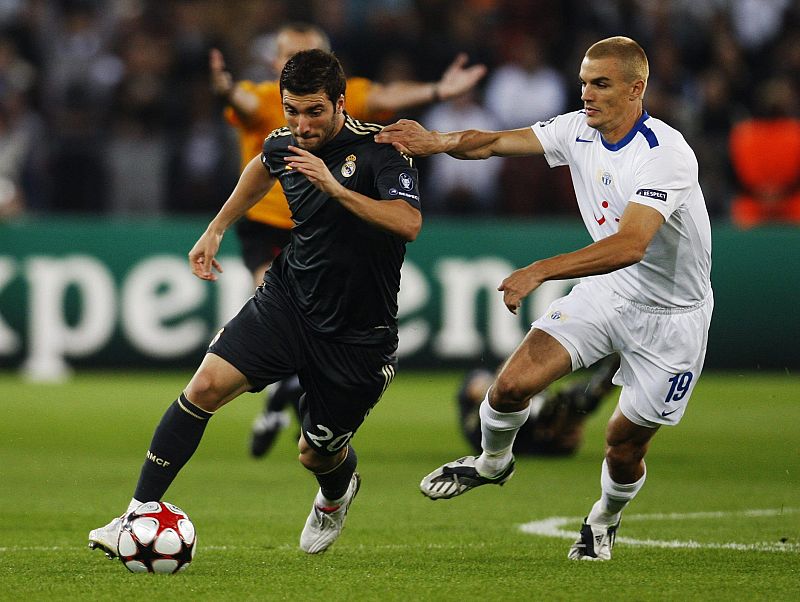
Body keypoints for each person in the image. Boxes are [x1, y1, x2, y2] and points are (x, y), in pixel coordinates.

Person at [376, 36, 713, 561]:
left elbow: (630, 244)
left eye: (600, 84)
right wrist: (435, 141)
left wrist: (540, 271)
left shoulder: (664, 155)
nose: (587, 94)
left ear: (635, 89)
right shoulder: (578, 130)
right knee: (508, 388)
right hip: (609, 293)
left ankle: (604, 518)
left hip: (672, 320)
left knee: (623, 446)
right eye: (583, 82)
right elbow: (491, 143)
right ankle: (491, 462)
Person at [89, 48, 422, 556]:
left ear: (339, 102)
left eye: (314, 111)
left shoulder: (381, 152)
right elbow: (260, 168)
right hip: (288, 301)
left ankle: (336, 496)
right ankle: (135, 513)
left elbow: (408, 223)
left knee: (316, 452)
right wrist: (216, 228)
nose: (302, 125)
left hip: (357, 334)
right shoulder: (285, 143)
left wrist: (334, 188)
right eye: (292, 110)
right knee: (204, 387)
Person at [210, 22, 485, 457]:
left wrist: (438, 91)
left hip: (330, 226)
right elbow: (242, 108)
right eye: (287, 53)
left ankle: (286, 403)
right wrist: (224, 88)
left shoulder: (344, 98)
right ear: (274, 62)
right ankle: (283, 398)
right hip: (269, 223)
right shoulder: (267, 99)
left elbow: (387, 98)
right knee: (276, 305)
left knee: (313, 331)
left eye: (307, 52)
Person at [458, 355, 619, 456]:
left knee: (574, 401)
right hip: (493, 435)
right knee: (574, 401)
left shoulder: (536, 383)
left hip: (531, 436)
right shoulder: (489, 383)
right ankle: (612, 374)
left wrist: (573, 422)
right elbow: (478, 388)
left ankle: (613, 373)